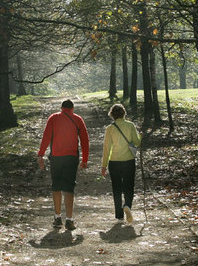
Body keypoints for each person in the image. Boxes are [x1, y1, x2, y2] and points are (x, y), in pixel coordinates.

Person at [38, 99, 89, 230]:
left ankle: (57, 216)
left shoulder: (53, 118)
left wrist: (41, 154)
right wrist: (85, 160)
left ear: (61, 108)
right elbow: (85, 140)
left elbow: (46, 137)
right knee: (69, 187)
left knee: (56, 186)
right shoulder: (78, 119)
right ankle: (70, 219)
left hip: (56, 157)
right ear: (72, 108)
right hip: (71, 157)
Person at [101, 104, 141, 223]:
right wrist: (140, 136)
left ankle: (119, 216)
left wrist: (104, 165)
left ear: (112, 115)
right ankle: (127, 205)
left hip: (114, 162)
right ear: (124, 113)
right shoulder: (130, 125)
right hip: (129, 160)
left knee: (116, 188)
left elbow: (107, 148)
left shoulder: (110, 128)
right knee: (129, 185)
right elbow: (137, 142)